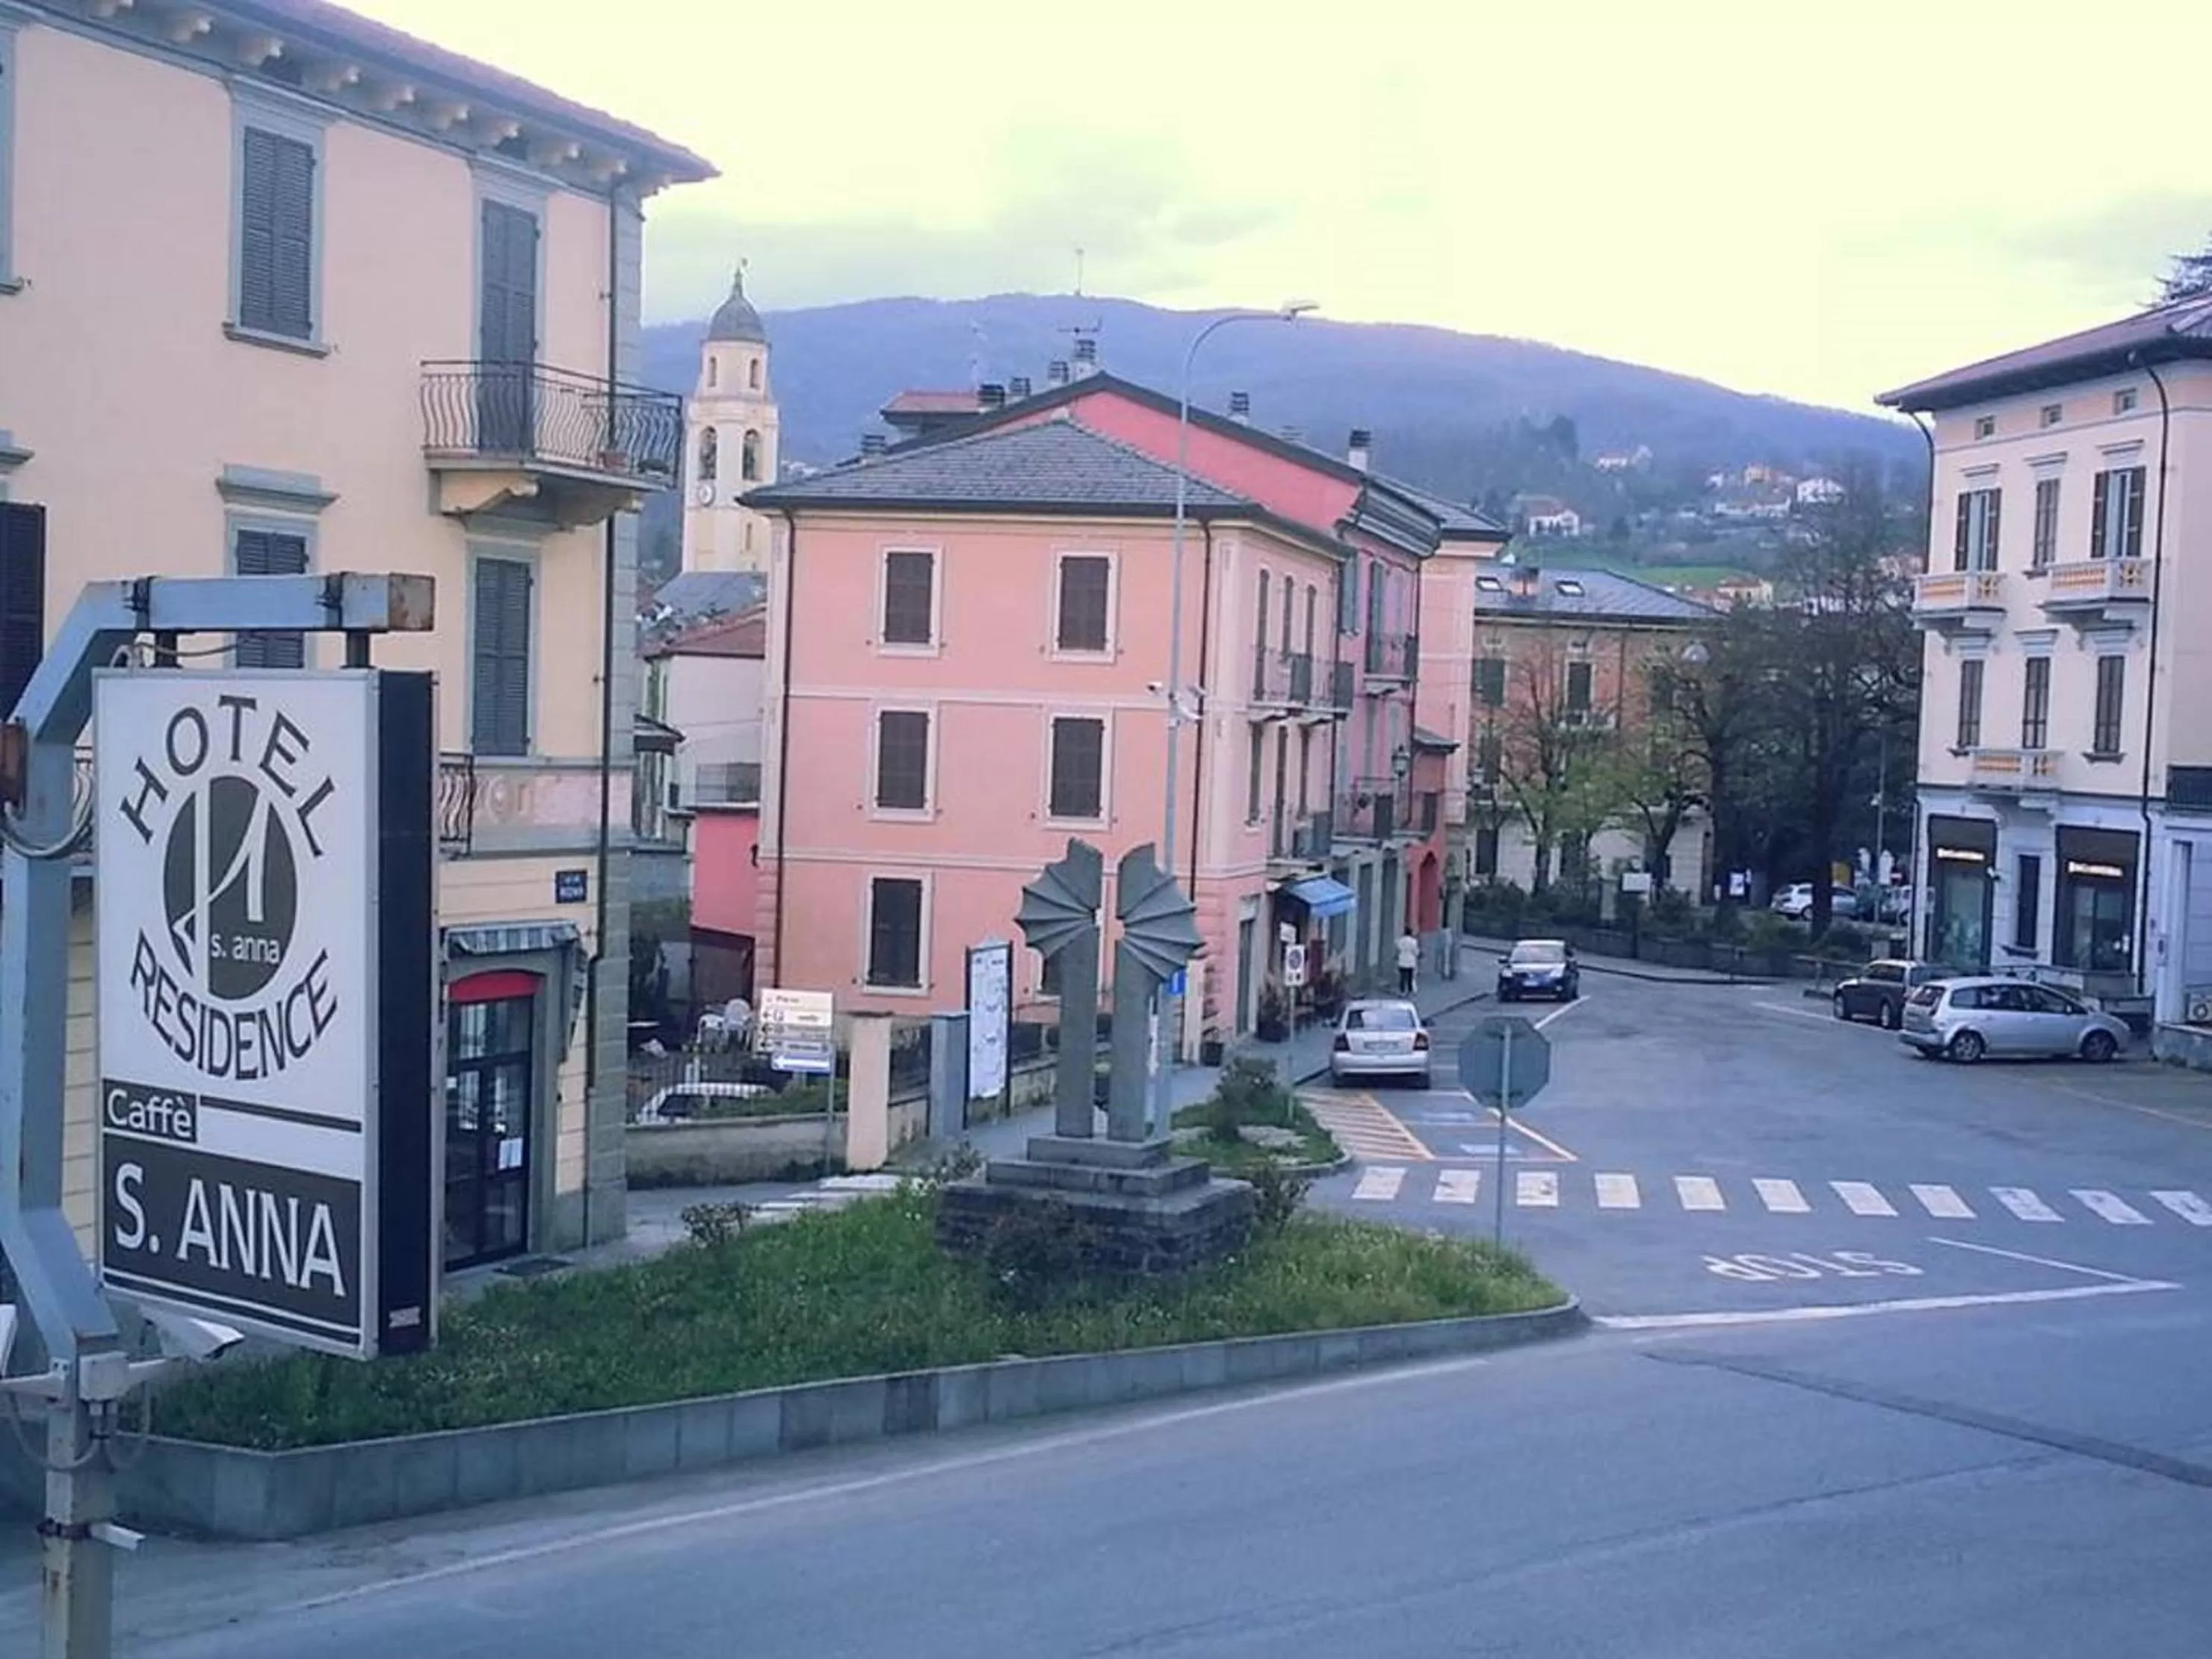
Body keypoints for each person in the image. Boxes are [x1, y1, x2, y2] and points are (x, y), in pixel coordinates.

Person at [1395, 929, 1420, 995]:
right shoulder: (1414, 941)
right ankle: (1410, 990)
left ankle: (1402, 991)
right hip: (1411, 962)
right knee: (1410, 977)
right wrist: (1418, 954)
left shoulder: (1400, 941)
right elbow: (1416, 951)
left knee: (1402, 977)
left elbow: (1398, 950)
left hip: (1402, 961)